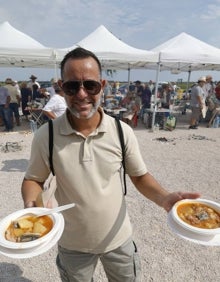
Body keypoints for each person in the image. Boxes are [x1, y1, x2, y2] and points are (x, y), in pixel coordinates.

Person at [21, 47, 200, 281]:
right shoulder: (47, 135)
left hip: (118, 239)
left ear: (102, 85)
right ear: (61, 87)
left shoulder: (121, 131)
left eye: (90, 85)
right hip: (72, 245)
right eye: (72, 86)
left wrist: (164, 198)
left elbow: (139, 177)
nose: (82, 94)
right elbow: (34, 178)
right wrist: (32, 204)